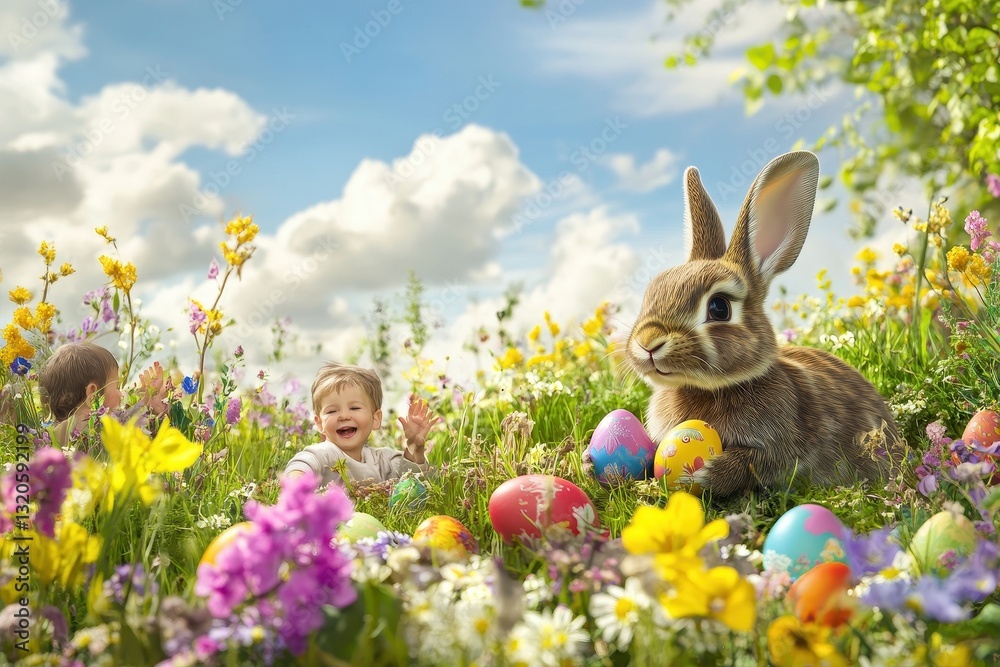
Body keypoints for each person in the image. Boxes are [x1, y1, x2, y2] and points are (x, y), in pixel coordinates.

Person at [284, 361, 437, 487]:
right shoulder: (324, 454)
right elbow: (303, 463)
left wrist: (414, 450)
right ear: (319, 423)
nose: (344, 416)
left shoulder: (384, 460)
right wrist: (297, 483)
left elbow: (411, 482)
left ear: (376, 419)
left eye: (355, 408)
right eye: (332, 411)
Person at [38, 342, 168, 447]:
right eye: (116, 387)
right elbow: (126, 426)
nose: (121, 394)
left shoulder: (54, 435)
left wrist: (146, 400)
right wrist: (145, 401)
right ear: (93, 392)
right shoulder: (90, 428)